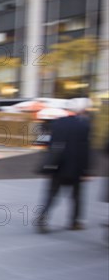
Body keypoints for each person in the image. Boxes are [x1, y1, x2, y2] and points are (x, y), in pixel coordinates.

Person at [36, 97, 92, 233]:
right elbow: (85, 150)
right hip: (75, 168)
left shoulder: (57, 123)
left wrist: (48, 163)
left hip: (57, 166)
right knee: (77, 197)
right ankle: (75, 222)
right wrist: (86, 170)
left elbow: (45, 142)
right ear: (81, 110)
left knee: (51, 195)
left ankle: (42, 219)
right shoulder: (84, 126)